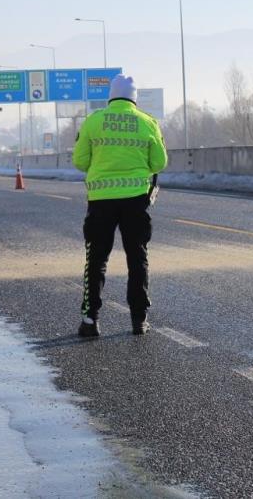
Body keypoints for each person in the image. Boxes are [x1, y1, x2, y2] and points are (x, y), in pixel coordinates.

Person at [73, 74, 168, 337]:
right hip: (136, 200)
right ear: (134, 98)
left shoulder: (93, 121)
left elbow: (80, 162)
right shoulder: (148, 123)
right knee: (137, 258)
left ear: (111, 96)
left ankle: (90, 320)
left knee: (96, 259)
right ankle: (139, 320)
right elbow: (159, 163)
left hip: (100, 201)